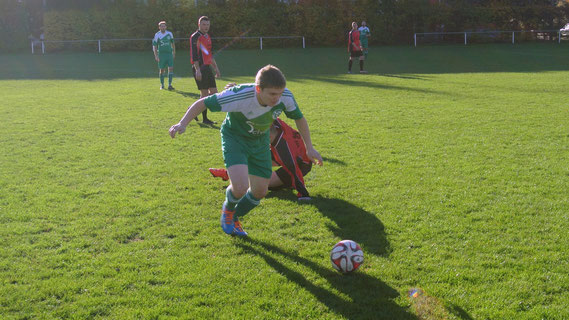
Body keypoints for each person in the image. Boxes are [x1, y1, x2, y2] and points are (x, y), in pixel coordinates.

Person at [169, 65, 323, 237]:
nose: (277, 98)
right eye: (272, 94)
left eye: (279, 93)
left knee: (259, 192)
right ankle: (228, 211)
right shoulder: (239, 95)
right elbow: (202, 103)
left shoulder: (285, 96)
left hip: (259, 142)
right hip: (235, 139)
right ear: (258, 89)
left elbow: (299, 119)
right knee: (240, 187)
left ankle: (234, 217)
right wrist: (182, 123)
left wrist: (309, 147)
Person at [209, 118, 313, 200]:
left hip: (302, 165)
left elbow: (294, 169)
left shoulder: (284, 149)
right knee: (252, 159)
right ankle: (228, 174)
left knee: (262, 184)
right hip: (288, 154)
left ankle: (288, 183)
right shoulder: (276, 125)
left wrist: (303, 194)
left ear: (268, 137)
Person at [190, 16, 221, 125]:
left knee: (214, 93)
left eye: (208, 25)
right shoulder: (195, 37)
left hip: (207, 68)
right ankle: (205, 119)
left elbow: (209, 54)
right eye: (204, 24)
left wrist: (216, 68)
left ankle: (193, 108)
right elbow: (194, 56)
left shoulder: (207, 36)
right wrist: (197, 70)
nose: (206, 27)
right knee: (204, 94)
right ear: (199, 25)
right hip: (199, 68)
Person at [152, 21, 176, 90]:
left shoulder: (169, 34)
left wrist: (174, 52)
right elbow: (154, 46)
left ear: (166, 27)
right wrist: (156, 55)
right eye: (161, 26)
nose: (163, 27)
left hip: (169, 54)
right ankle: (162, 85)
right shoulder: (157, 35)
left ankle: (170, 85)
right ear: (159, 27)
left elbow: (173, 44)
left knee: (171, 68)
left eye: (164, 26)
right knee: (162, 70)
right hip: (161, 55)